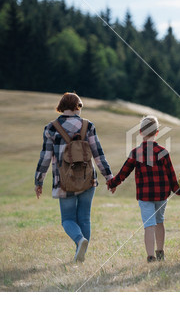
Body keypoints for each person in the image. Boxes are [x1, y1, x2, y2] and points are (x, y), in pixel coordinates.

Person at [34, 92, 113, 262]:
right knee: (84, 217)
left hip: (64, 182)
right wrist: (109, 177)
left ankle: (79, 241)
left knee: (68, 219)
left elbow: (45, 158)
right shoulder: (88, 125)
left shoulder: (51, 128)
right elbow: (98, 155)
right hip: (87, 179)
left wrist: (38, 181)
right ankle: (80, 251)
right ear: (78, 107)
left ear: (61, 107)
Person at [107, 116, 180, 262]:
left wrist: (113, 184)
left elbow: (124, 172)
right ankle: (160, 252)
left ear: (141, 132)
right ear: (157, 132)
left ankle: (150, 256)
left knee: (149, 224)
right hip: (161, 194)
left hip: (145, 195)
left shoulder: (136, 153)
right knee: (160, 221)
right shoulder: (163, 152)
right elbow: (171, 175)